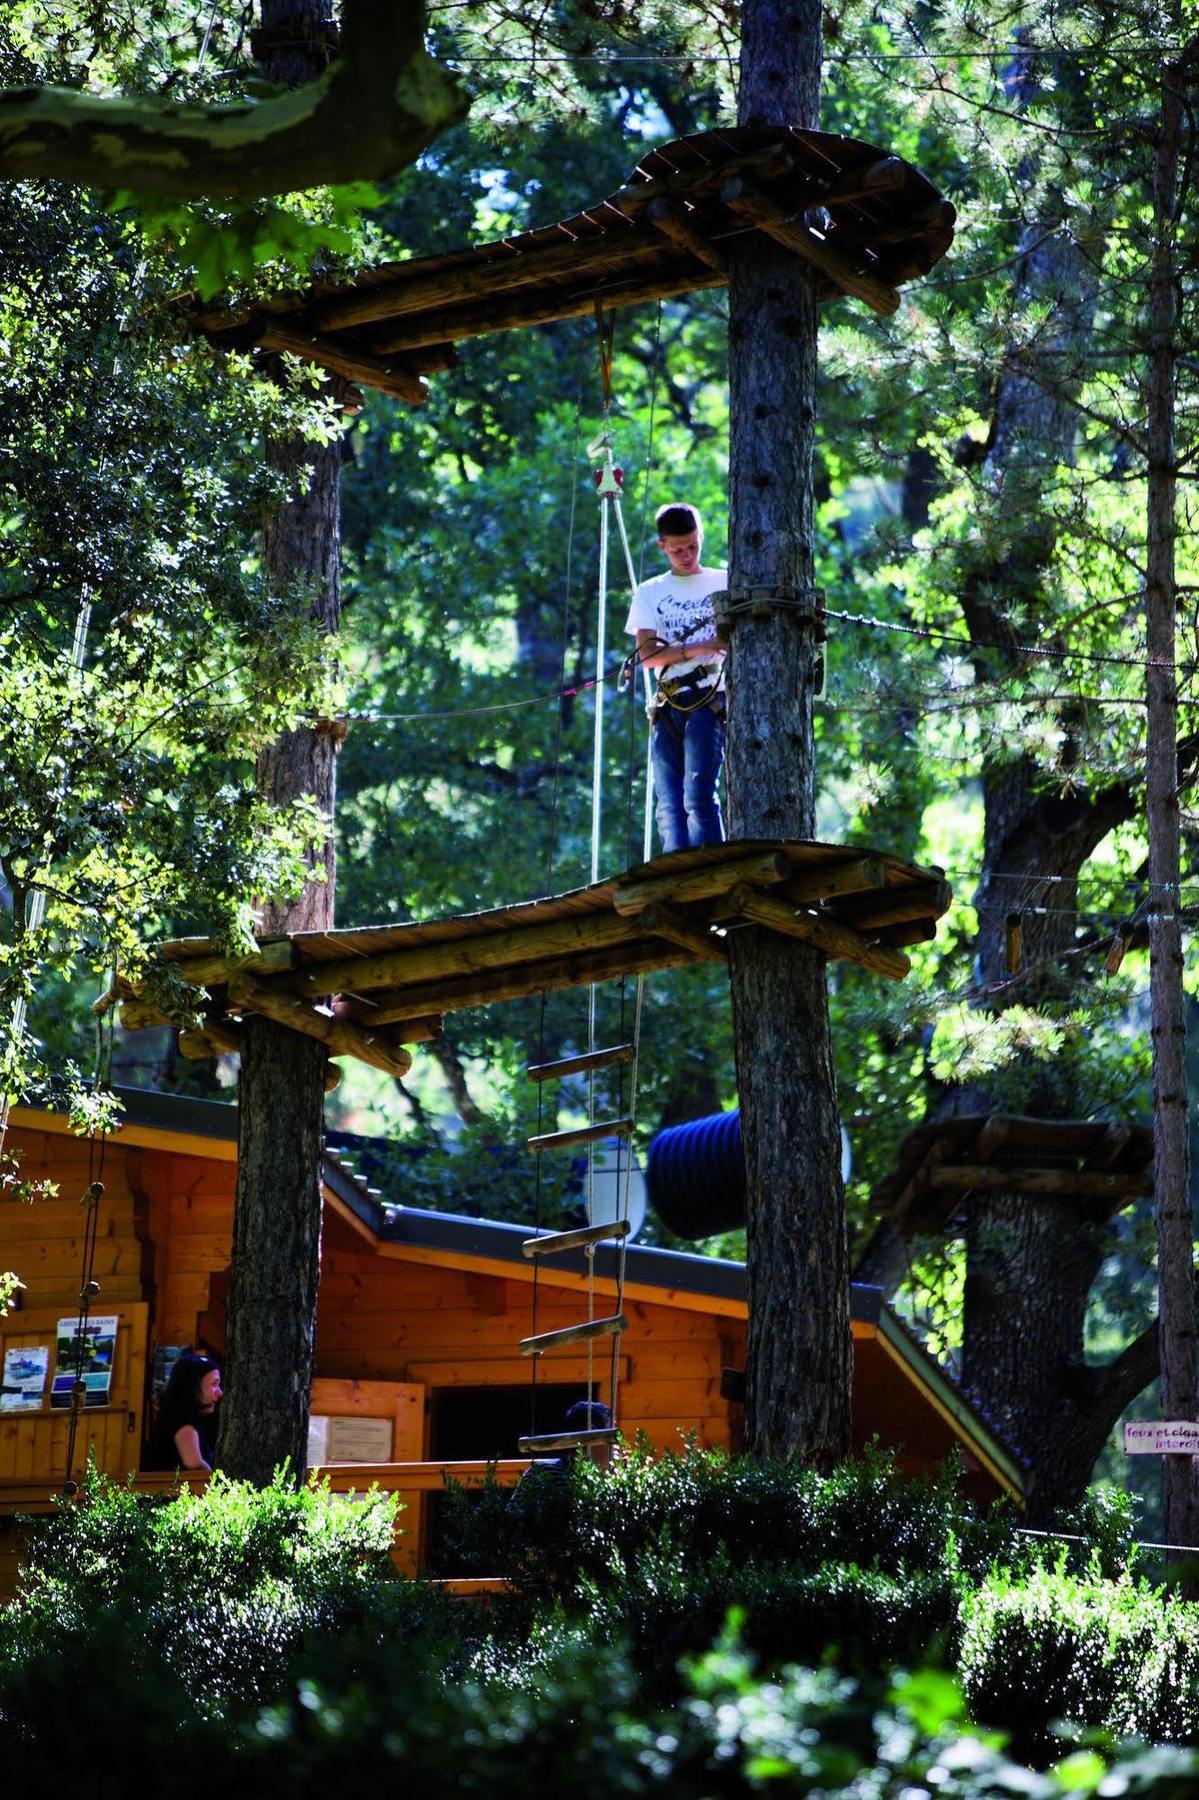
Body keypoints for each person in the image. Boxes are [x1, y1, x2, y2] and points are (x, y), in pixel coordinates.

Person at [624, 503, 727, 854]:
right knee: (668, 803)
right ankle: (675, 872)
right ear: (662, 546)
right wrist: (700, 647)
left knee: (698, 795)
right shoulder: (650, 592)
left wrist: (695, 650)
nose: (686, 555)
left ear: (700, 538)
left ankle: (710, 866)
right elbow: (648, 655)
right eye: (678, 549)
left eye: (693, 546)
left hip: (710, 696)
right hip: (668, 702)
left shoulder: (723, 582)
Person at [144, 1353, 222, 1472]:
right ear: (193, 1386)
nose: (220, 1392)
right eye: (214, 1384)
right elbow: (194, 1463)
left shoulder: (178, 1412)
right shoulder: (181, 1414)